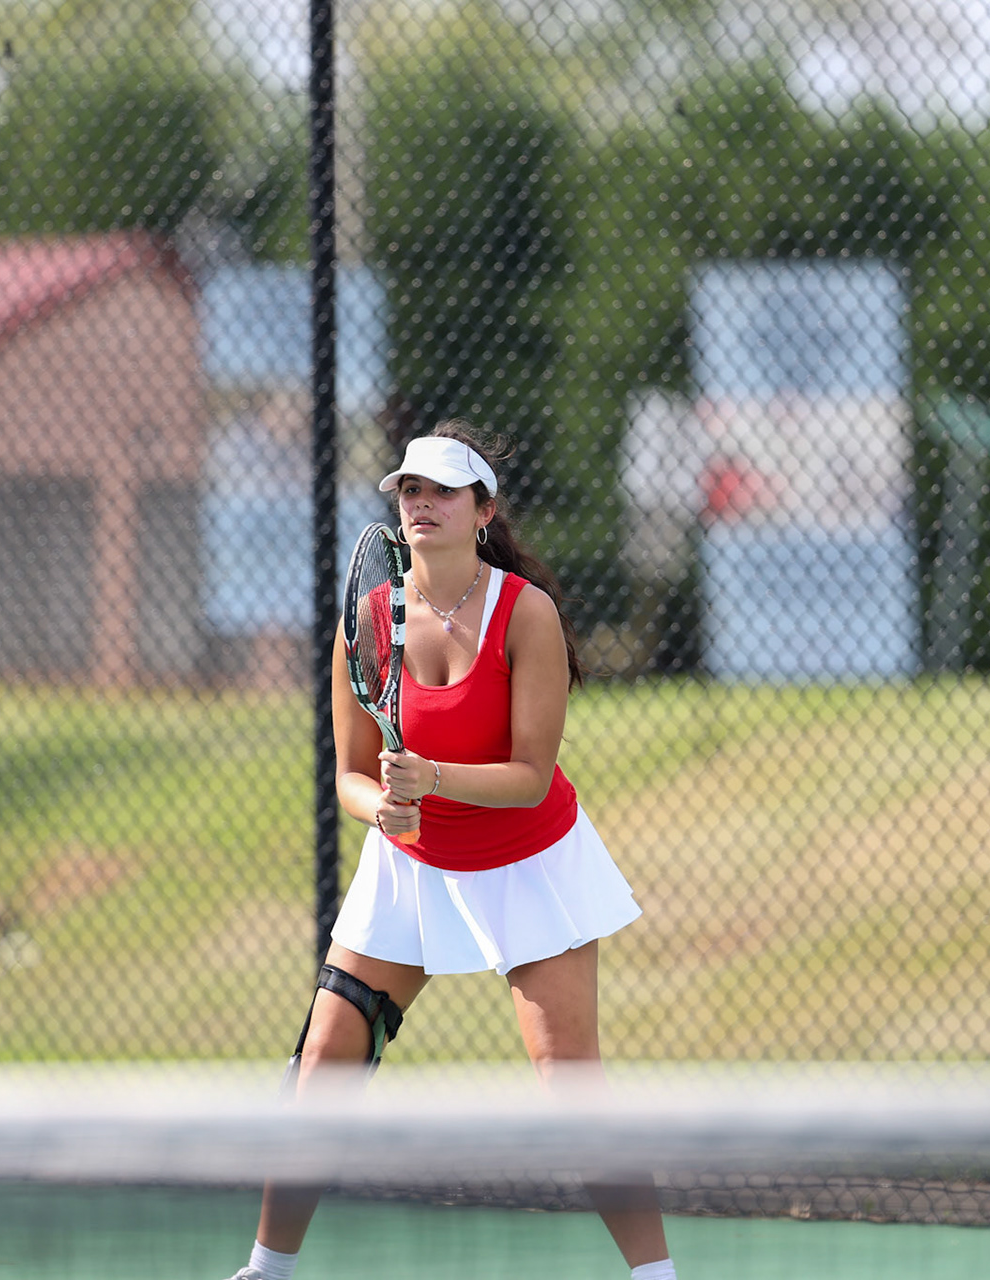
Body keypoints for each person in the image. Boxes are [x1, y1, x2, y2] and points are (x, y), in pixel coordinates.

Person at [225, 421, 675, 1280]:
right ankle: (265, 1272)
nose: (421, 503)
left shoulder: (526, 613)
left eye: (441, 490)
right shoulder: (367, 622)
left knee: (571, 1089)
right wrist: (383, 810)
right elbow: (352, 777)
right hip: (411, 869)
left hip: (529, 863)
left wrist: (430, 779)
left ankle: (658, 1279)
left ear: (483, 510)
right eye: (409, 490)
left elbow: (531, 777)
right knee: (322, 1061)